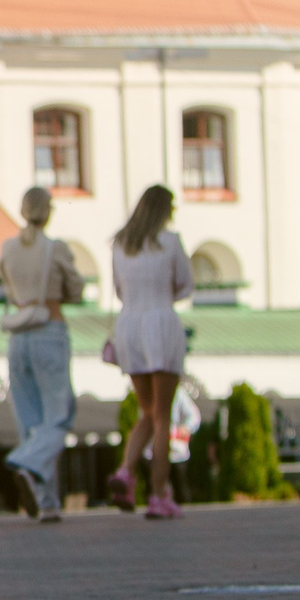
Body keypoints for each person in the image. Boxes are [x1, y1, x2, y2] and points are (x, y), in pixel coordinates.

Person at [0, 185, 83, 522]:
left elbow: (7, 288)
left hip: (18, 336)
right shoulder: (55, 247)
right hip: (49, 330)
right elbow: (75, 290)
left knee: (29, 418)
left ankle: (46, 502)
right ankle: (29, 462)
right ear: (47, 211)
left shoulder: (8, 248)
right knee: (58, 416)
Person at [106, 184, 191, 519]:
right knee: (163, 416)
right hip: (160, 322)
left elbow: (117, 288)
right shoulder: (170, 242)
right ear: (163, 210)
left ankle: (126, 471)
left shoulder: (121, 244)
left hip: (129, 326)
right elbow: (184, 284)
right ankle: (158, 494)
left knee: (147, 410)